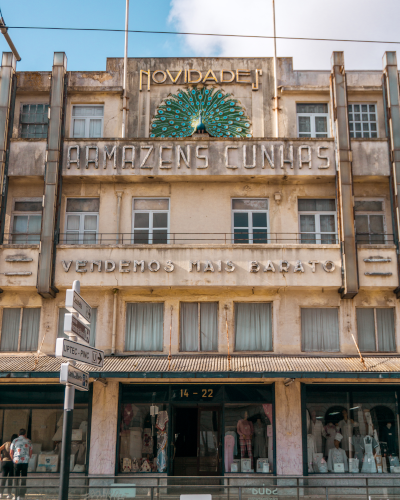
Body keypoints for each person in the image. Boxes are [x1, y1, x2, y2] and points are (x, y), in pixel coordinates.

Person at [10, 429, 32, 500]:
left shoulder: (14, 440)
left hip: (16, 461)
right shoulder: (28, 441)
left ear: (19, 434)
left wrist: (13, 459)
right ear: (25, 434)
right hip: (25, 461)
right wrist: (28, 458)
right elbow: (30, 451)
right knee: (23, 478)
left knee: (16, 478)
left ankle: (16, 495)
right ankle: (22, 495)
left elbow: (11, 451)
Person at [0, 434, 17, 499]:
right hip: (12, 462)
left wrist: (0, 458)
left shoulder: (7, 443)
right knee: (10, 479)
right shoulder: (16, 445)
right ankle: (9, 494)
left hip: (4, 462)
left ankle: (1, 493)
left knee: (3, 478)